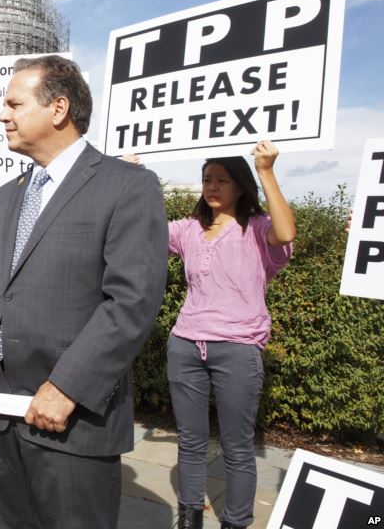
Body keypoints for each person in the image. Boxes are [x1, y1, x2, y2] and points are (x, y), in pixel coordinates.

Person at [0, 55, 167, 528]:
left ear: (58, 108)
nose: (2, 114)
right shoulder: (4, 196)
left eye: (13, 103)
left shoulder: (128, 186)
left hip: (73, 422)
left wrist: (68, 385)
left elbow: (132, 301)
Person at [147, 143, 294, 529]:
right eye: (207, 179)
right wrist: (135, 177)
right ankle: (190, 517)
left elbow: (287, 231)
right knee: (190, 441)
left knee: (237, 447)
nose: (212, 186)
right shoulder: (189, 229)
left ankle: (236, 521)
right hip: (185, 345)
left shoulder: (258, 228)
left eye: (222, 180)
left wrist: (266, 171)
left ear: (240, 186)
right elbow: (142, 230)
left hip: (238, 348)